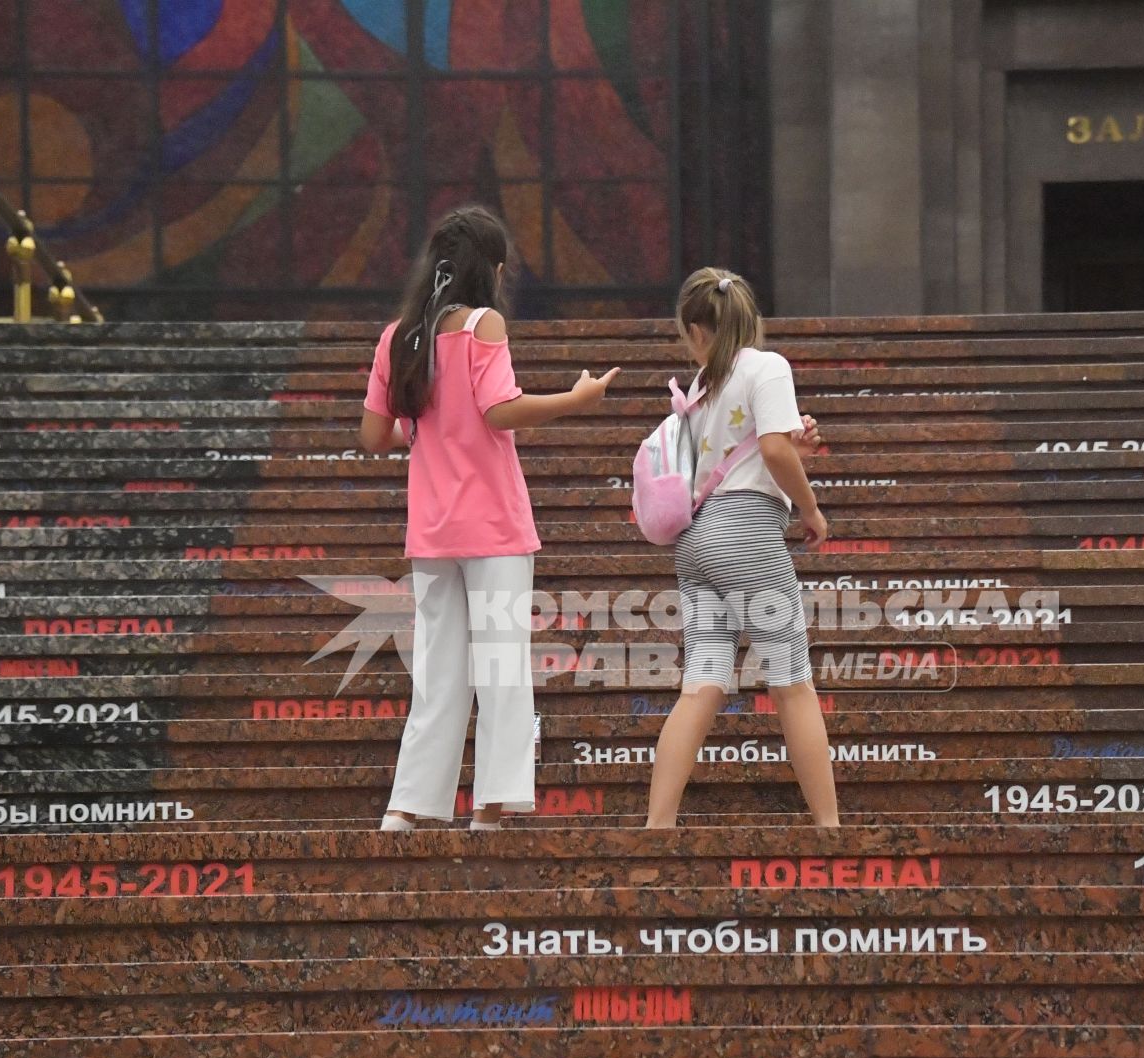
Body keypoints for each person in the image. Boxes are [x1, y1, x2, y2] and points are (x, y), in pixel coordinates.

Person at [358, 206, 619, 831]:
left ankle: (409, 807)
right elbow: (500, 411)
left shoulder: (398, 337)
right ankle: (492, 806)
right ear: (494, 270)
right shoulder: (484, 325)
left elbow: (374, 435)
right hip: (493, 526)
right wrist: (577, 399)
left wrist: (430, 425)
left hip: (432, 528)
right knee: (501, 666)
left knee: (438, 673)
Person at [644, 268, 839, 828]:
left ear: (694, 330)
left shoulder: (698, 390)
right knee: (793, 684)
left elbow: (756, 444)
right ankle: (830, 829)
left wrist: (787, 440)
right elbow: (775, 452)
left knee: (700, 687)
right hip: (748, 535)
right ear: (750, 319)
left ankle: (657, 830)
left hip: (697, 540)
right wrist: (811, 509)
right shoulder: (766, 365)